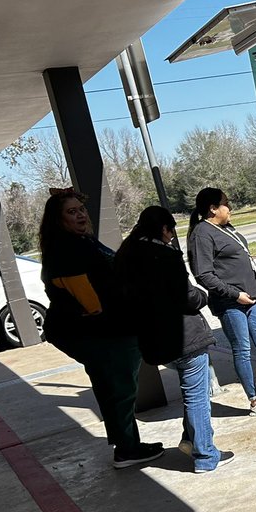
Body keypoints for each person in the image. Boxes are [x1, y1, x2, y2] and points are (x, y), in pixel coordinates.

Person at [39, 190, 163, 468]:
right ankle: (127, 449)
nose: (81, 214)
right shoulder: (67, 248)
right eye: (72, 212)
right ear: (57, 220)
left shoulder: (80, 242)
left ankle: (127, 444)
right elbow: (90, 301)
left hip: (104, 329)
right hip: (102, 331)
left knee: (115, 387)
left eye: (81, 209)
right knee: (119, 389)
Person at [115, 206, 233, 473]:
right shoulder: (164, 256)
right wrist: (204, 297)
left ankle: (190, 439)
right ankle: (205, 455)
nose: (171, 238)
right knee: (197, 396)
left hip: (153, 341)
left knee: (195, 391)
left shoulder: (124, 257)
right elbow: (188, 297)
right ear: (164, 229)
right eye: (171, 232)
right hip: (184, 337)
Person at [186, 187, 256, 418]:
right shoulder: (202, 233)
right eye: (226, 203)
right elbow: (204, 274)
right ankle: (255, 402)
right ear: (213, 208)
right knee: (243, 350)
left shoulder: (226, 228)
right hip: (231, 303)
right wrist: (235, 294)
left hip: (253, 299)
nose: (230, 208)